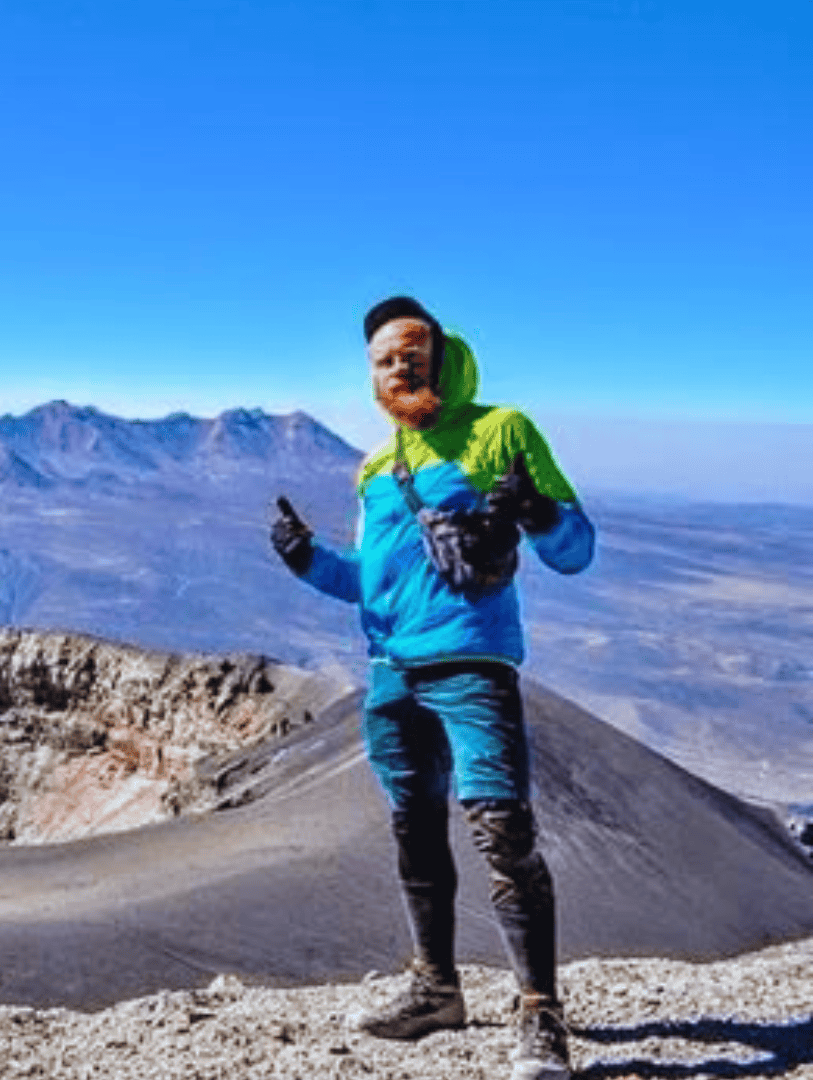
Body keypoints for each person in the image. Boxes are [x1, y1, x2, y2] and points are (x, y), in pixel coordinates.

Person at [270, 296, 595, 1080]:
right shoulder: (378, 468)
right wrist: (307, 560)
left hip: (472, 666)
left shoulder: (500, 431)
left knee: (501, 829)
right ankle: (435, 988)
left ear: (445, 357)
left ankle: (539, 1014)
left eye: (412, 353)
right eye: (384, 359)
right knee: (414, 830)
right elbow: (370, 583)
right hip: (390, 675)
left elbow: (576, 549)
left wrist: (537, 508)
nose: (398, 366)